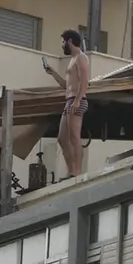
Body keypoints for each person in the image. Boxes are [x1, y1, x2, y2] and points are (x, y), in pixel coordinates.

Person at [43, 29, 90, 178]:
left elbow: (85, 82)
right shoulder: (72, 59)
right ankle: (71, 170)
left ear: (70, 41)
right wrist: (53, 73)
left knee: (74, 137)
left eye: (63, 42)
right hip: (69, 100)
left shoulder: (81, 58)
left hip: (78, 100)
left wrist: (77, 100)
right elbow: (66, 85)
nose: (62, 45)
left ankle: (77, 171)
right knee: (62, 138)